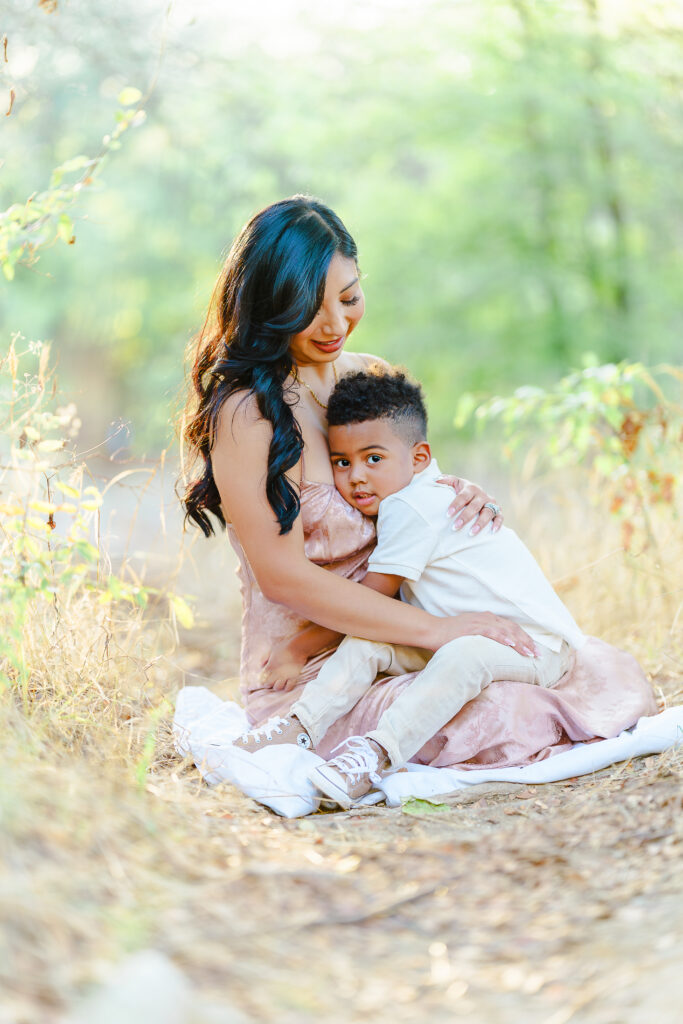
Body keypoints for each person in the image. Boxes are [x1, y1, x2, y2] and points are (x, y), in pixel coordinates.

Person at [182, 195, 656, 792]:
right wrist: (441, 630)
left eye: (349, 297)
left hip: (415, 634)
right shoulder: (247, 414)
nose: (335, 324)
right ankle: (319, 740)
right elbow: (283, 578)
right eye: (310, 307)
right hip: (311, 666)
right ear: (271, 307)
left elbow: (417, 499)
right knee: (502, 712)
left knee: (580, 672)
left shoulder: (369, 377)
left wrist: (462, 495)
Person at [234, 366, 590, 807]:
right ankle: (299, 726)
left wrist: (300, 647)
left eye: (374, 459)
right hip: (462, 630)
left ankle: (376, 754)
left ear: (418, 458)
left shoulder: (412, 507)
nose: (357, 476)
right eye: (342, 462)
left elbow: (372, 595)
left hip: (532, 645)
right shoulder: (422, 490)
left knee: (460, 654)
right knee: (370, 640)